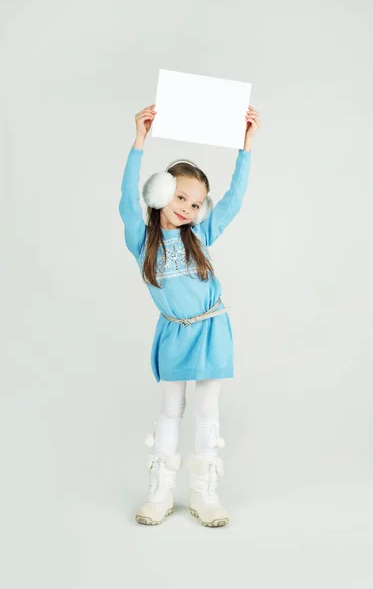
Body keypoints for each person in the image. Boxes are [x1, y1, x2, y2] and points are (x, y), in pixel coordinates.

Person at [119, 102, 260, 527]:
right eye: (180, 197)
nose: (187, 208)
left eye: (196, 203)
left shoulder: (200, 233)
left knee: (208, 411)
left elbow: (234, 201)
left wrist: (246, 149)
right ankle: (161, 491)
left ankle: (204, 492)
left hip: (212, 330)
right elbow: (126, 199)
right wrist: (139, 142)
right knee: (170, 409)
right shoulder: (142, 242)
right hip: (175, 334)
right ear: (160, 193)